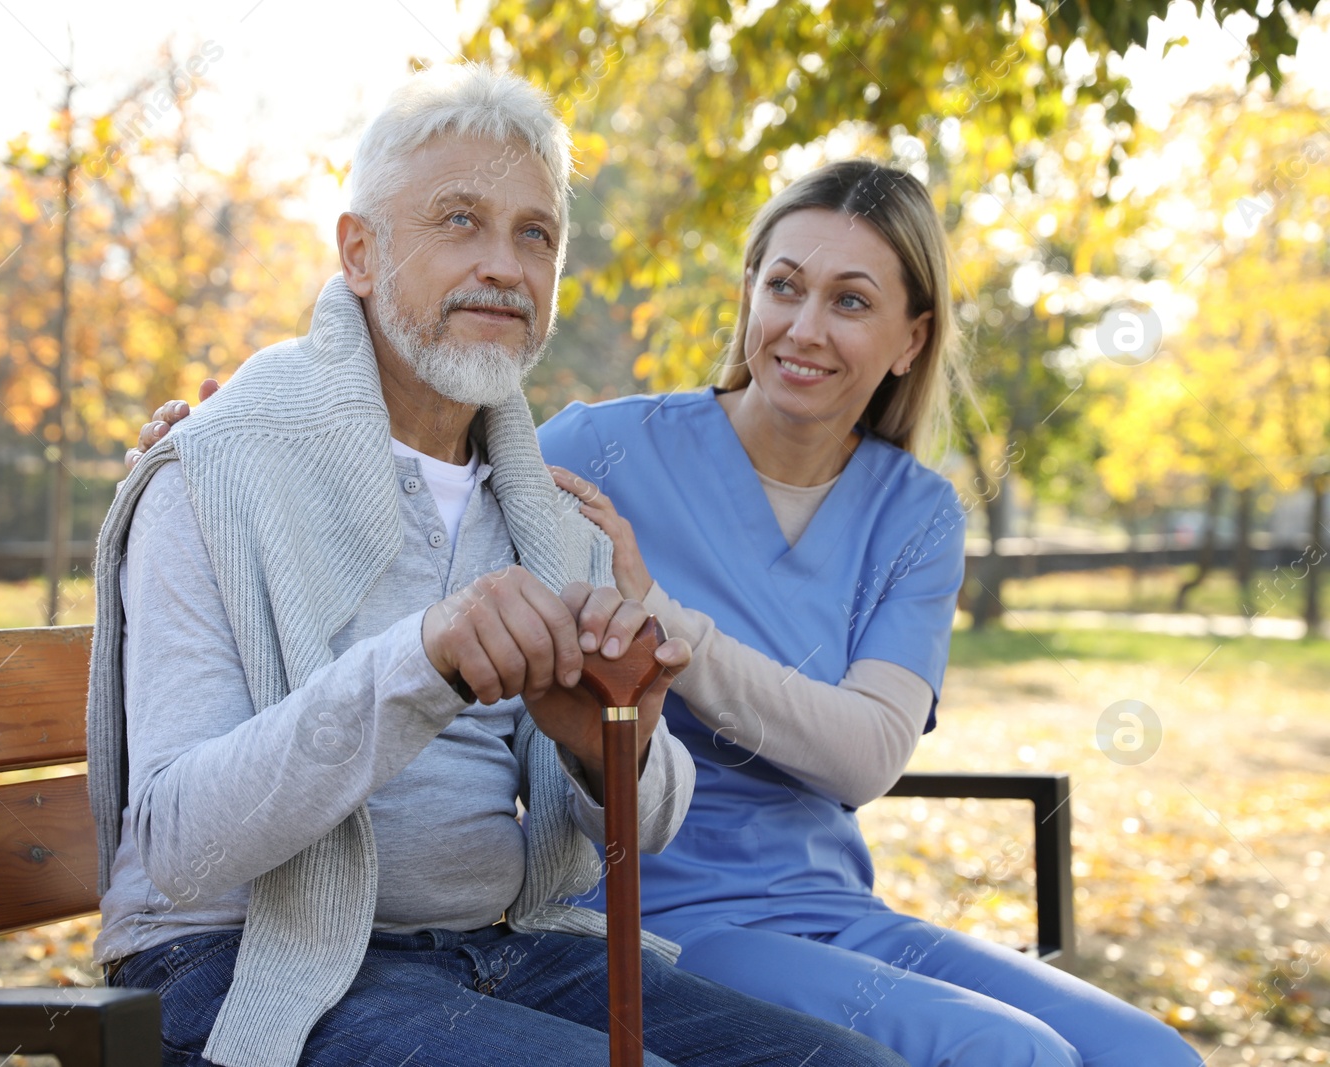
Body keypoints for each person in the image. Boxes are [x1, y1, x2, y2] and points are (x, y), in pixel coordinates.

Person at [134, 158, 1200, 1066]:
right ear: (746, 295)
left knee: (1155, 1054)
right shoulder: (601, 447)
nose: (804, 327)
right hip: (651, 901)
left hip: (831, 903)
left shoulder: (914, 511)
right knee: (1012, 1055)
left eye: (851, 300)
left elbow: (864, 755)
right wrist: (228, 431)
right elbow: (422, 459)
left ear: (911, 339)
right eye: (782, 286)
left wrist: (661, 616)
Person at [92, 64, 907, 1067]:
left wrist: (614, 738)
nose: (506, 265)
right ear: (359, 250)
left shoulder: (546, 510)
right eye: (459, 220)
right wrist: (420, 662)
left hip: (500, 949)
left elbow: (649, 815)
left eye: (536, 233)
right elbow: (179, 847)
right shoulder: (215, 470)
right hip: (238, 954)